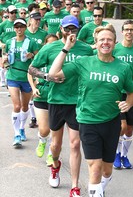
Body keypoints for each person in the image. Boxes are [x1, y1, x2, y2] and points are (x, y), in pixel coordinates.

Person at [48, 24, 133, 197]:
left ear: (115, 42)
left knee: (106, 170)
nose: (106, 42)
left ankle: (99, 189)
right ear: (95, 43)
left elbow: (132, 92)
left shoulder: (123, 67)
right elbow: (53, 73)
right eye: (102, 39)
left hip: (111, 122)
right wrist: (66, 48)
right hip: (88, 121)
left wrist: (129, 103)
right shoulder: (84, 62)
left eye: (109, 39)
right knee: (94, 168)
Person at [28, 15, 94, 197]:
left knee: (74, 144)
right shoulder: (51, 47)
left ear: (78, 30)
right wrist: (46, 77)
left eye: (74, 29)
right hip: (56, 100)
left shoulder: (87, 49)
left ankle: (75, 186)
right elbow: (32, 68)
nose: (70, 32)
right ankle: (55, 166)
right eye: (67, 29)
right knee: (56, 145)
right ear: (61, 30)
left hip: (77, 102)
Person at [112, 20, 133, 169]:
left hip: (132, 94)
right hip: (117, 93)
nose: (129, 32)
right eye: (126, 29)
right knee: (122, 126)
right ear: (122, 32)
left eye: (131, 30)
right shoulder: (115, 49)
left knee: (130, 128)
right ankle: (115, 154)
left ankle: (124, 155)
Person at [2, 18, 38, 146]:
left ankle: (22, 128)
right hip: (12, 76)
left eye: (21, 26)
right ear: (14, 28)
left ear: (25, 27)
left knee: (24, 106)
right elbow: (4, 59)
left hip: (26, 77)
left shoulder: (31, 42)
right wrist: (4, 59)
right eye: (16, 27)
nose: (19, 29)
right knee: (16, 106)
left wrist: (31, 56)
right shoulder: (9, 41)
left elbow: (39, 57)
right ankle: (16, 134)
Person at [27, 34, 58, 166]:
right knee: (44, 129)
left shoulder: (62, 59)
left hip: (57, 97)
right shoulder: (41, 57)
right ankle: (42, 141)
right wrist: (33, 88)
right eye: (49, 44)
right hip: (41, 96)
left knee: (55, 130)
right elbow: (30, 72)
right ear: (45, 44)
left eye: (55, 44)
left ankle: (51, 154)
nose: (52, 46)